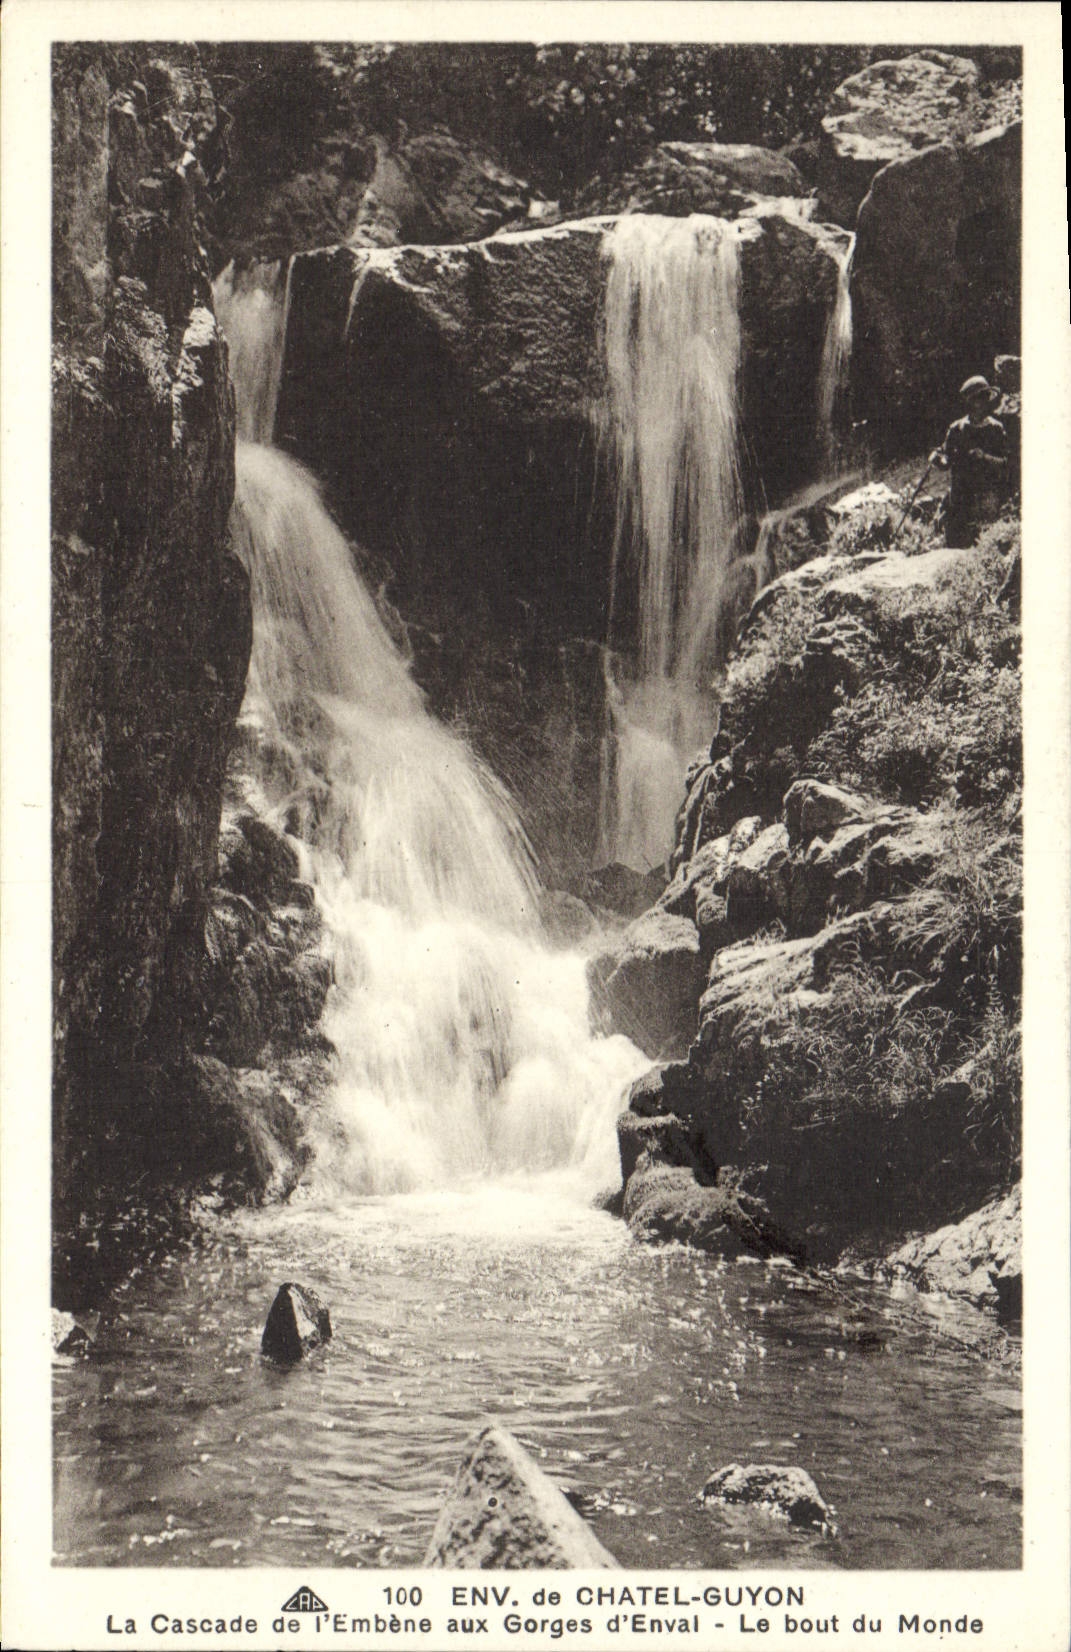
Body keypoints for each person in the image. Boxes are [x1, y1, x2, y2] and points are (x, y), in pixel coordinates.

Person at [930, 376, 1008, 547]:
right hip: (960, 497)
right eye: (978, 398)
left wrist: (985, 457)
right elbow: (946, 462)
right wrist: (936, 460)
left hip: (986, 497)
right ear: (970, 401)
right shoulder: (956, 429)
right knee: (958, 546)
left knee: (987, 545)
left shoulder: (996, 429)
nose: (982, 402)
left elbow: (1004, 463)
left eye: (985, 397)